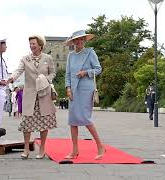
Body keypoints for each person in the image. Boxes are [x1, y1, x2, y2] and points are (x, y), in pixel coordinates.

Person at [7, 35, 57, 159]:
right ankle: (26, 148)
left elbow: (53, 73)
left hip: (44, 94)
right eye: (30, 44)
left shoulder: (48, 58)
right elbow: (18, 71)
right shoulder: (25, 59)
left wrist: (46, 79)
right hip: (30, 94)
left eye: (34, 43)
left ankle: (42, 148)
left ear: (40, 45)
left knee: (44, 122)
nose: (31, 45)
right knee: (27, 122)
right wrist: (11, 78)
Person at [64, 30, 105, 160]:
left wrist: (86, 72)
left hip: (86, 89)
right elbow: (68, 74)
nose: (79, 41)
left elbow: (98, 69)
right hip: (73, 91)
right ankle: (74, 149)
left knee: (85, 118)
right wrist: (68, 88)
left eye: (82, 39)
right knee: (73, 120)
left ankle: (100, 145)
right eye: (77, 40)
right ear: (73, 42)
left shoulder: (90, 53)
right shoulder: (70, 55)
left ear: (85, 40)